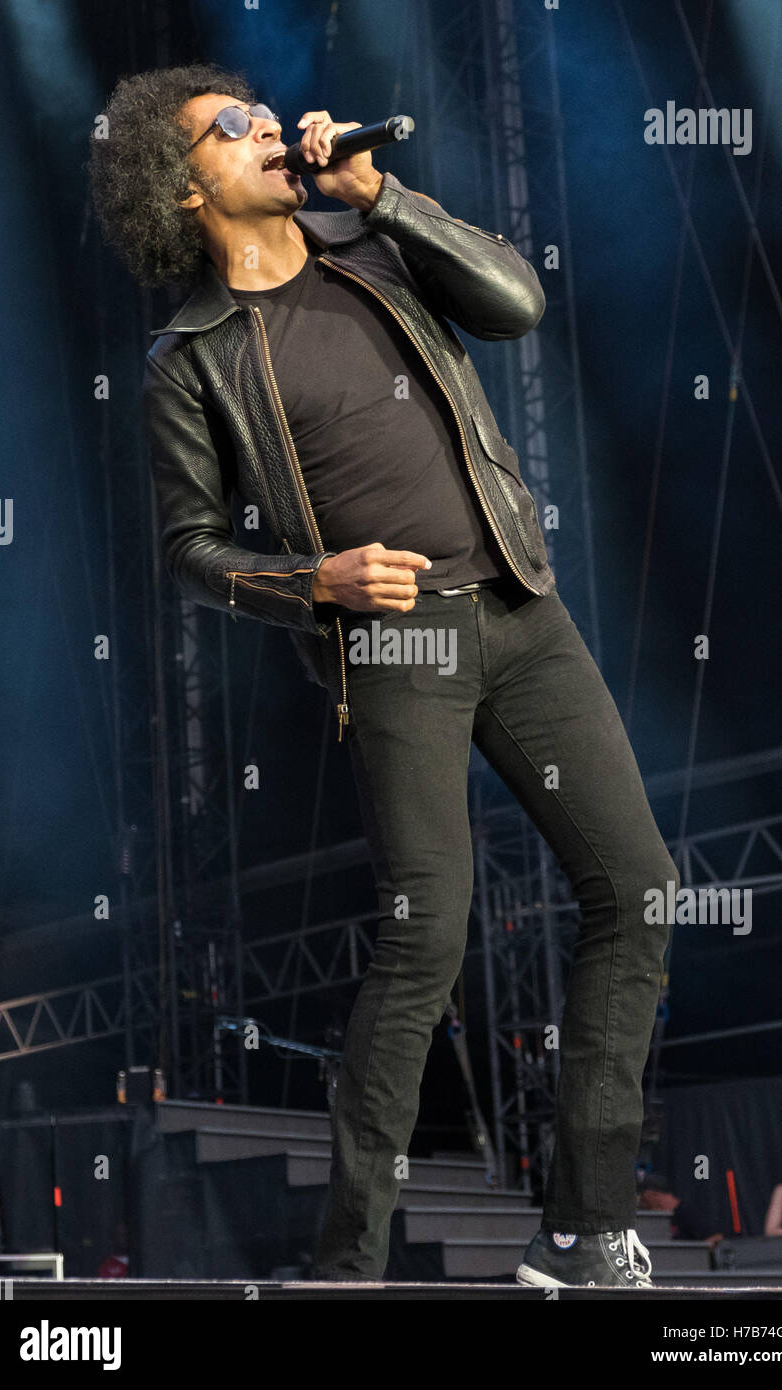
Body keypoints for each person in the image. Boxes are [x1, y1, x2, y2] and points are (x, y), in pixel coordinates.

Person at [89, 62, 681, 1289]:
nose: (262, 129)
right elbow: (188, 552)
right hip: (396, 651)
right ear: (182, 188)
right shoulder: (188, 358)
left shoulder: (369, 241)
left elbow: (515, 302)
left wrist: (387, 193)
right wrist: (319, 580)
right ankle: (348, 1266)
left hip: (519, 604)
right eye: (227, 127)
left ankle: (581, 1226)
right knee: (426, 938)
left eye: (257, 113)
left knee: (638, 887)